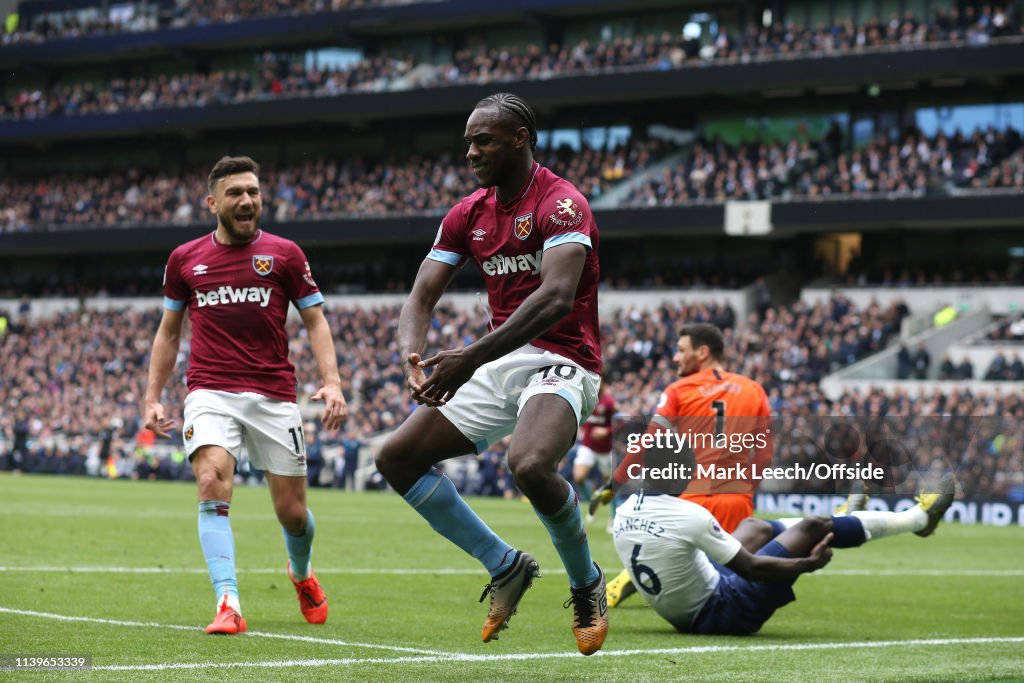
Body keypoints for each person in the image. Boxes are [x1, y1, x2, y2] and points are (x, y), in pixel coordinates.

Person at [374, 93, 608, 656]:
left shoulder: (562, 204)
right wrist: (412, 354)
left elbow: (555, 298)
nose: (471, 151)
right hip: (500, 360)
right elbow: (422, 293)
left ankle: (586, 582)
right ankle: (505, 566)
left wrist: (468, 358)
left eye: (484, 140)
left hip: (563, 360)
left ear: (520, 138)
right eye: (468, 141)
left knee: (528, 464)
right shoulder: (467, 213)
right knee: (395, 457)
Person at [142, 156, 347, 635]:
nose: (247, 200)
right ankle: (228, 602)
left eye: (253, 191)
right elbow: (168, 333)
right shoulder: (184, 260)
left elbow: (315, 320)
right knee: (212, 479)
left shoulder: (286, 255)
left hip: (275, 394)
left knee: (292, 514)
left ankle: (301, 573)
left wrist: (332, 380)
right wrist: (152, 396)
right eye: (235, 193)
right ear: (213, 202)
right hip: (209, 390)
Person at [611, 473, 956, 635]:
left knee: (754, 526)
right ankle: (919, 520)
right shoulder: (688, 515)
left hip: (694, 600)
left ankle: (846, 519)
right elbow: (751, 567)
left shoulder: (626, 509)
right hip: (721, 612)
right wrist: (807, 563)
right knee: (813, 526)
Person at [596, 323, 773, 606]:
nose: (675, 358)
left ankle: (632, 578)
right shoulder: (754, 390)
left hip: (690, 501)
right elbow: (763, 454)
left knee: (687, 567)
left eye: (680, 350)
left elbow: (649, 442)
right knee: (727, 573)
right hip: (736, 499)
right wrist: (748, 489)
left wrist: (614, 483)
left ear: (702, 352)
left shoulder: (679, 390)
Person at [572, 376, 617, 503]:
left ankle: (613, 517)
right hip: (588, 445)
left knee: (609, 485)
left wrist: (607, 431)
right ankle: (594, 500)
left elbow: (621, 422)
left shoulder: (609, 402)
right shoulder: (584, 397)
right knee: (579, 477)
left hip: (605, 449)